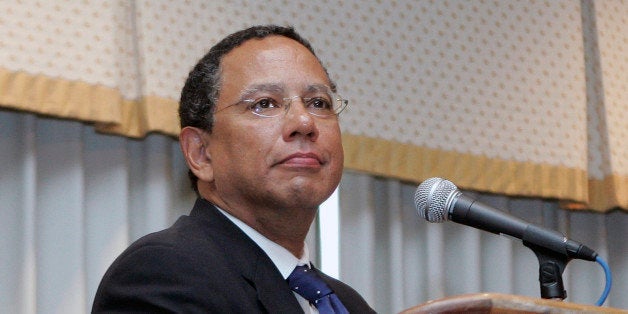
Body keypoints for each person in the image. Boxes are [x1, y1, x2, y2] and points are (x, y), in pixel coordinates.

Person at [92, 25, 376, 313]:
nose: (304, 123)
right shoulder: (163, 271)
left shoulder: (347, 303)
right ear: (201, 153)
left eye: (319, 103)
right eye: (265, 103)